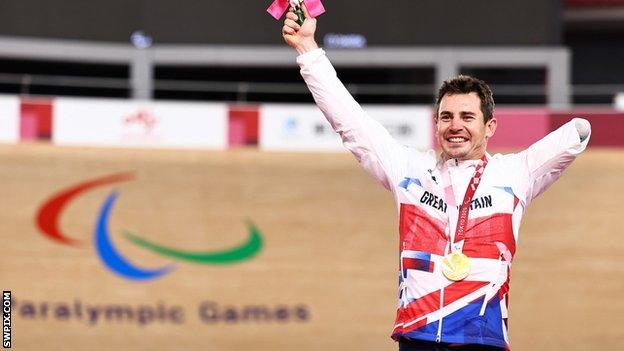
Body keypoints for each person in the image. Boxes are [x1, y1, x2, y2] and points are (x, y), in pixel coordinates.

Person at [281, 5, 591, 351]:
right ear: (436, 124)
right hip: (417, 337)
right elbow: (351, 123)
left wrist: (578, 132)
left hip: (480, 340)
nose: (455, 125)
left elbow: (577, 134)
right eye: (446, 117)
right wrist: (308, 50)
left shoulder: (516, 174)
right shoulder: (408, 169)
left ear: (490, 127)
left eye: (467, 117)